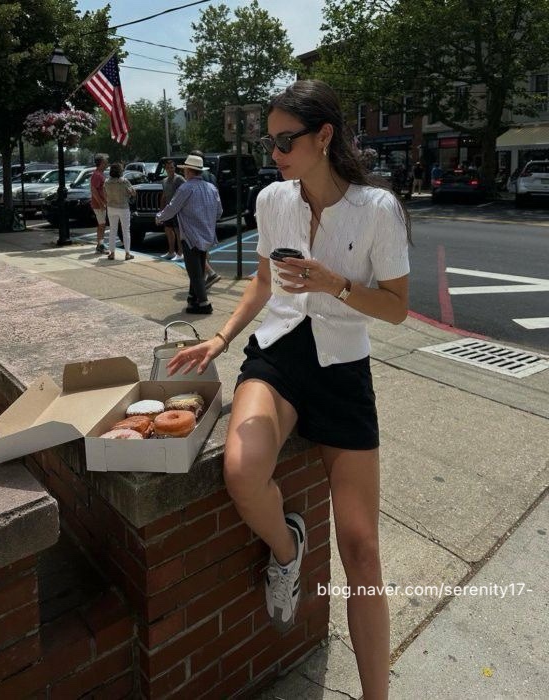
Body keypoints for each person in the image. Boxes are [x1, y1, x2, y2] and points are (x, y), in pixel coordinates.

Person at [165, 79, 411, 700]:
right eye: (269, 142)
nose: (273, 153)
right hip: (277, 355)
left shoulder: (377, 209)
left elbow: (398, 308)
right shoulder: (273, 199)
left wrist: (336, 285)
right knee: (242, 468)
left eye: (284, 140)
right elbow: (262, 283)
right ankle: (287, 549)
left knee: (362, 549)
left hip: (343, 368)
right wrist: (220, 339)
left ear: (324, 136)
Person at [155, 154, 222, 315]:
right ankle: (193, 298)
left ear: (189, 171)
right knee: (198, 266)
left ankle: (204, 303)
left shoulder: (186, 188)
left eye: (185, 170)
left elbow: (172, 208)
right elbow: (219, 212)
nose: (184, 172)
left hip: (191, 234)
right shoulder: (211, 188)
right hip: (207, 233)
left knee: (194, 271)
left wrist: (159, 217)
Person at [190, 149, 221, 289]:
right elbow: (216, 196)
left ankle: (207, 275)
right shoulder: (211, 177)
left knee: (196, 251)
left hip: (197, 218)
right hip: (210, 218)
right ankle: (203, 280)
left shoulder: (194, 177)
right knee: (204, 250)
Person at [104, 162, 136, 261]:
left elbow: (105, 194)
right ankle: (127, 253)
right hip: (123, 207)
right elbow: (133, 193)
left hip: (111, 207)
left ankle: (112, 253)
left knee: (113, 230)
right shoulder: (124, 181)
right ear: (120, 171)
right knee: (126, 230)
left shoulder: (107, 182)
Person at [160, 159, 185, 261]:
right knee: (168, 229)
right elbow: (164, 196)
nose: (170, 169)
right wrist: (161, 211)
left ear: (175, 168)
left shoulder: (179, 179)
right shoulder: (164, 181)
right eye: (168, 168)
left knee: (178, 231)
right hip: (168, 209)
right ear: (165, 169)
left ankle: (180, 253)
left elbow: (185, 192)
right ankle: (171, 252)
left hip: (177, 209)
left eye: (172, 167)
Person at [90, 154, 108, 253]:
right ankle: (100, 246)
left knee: (102, 225)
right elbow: (94, 190)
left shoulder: (100, 174)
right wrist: (101, 204)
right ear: (100, 163)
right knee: (102, 225)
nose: (106, 164)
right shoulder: (97, 175)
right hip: (98, 205)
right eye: (105, 162)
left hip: (102, 204)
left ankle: (99, 245)